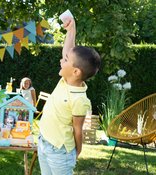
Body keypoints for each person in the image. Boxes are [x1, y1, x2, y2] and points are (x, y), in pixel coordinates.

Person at [38, 17, 101, 175]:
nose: (61, 60)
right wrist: (72, 30)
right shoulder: (66, 80)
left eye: (65, 61)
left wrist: (76, 152)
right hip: (44, 141)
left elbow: (77, 130)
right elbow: (69, 51)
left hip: (60, 152)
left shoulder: (79, 99)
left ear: (76, 72)